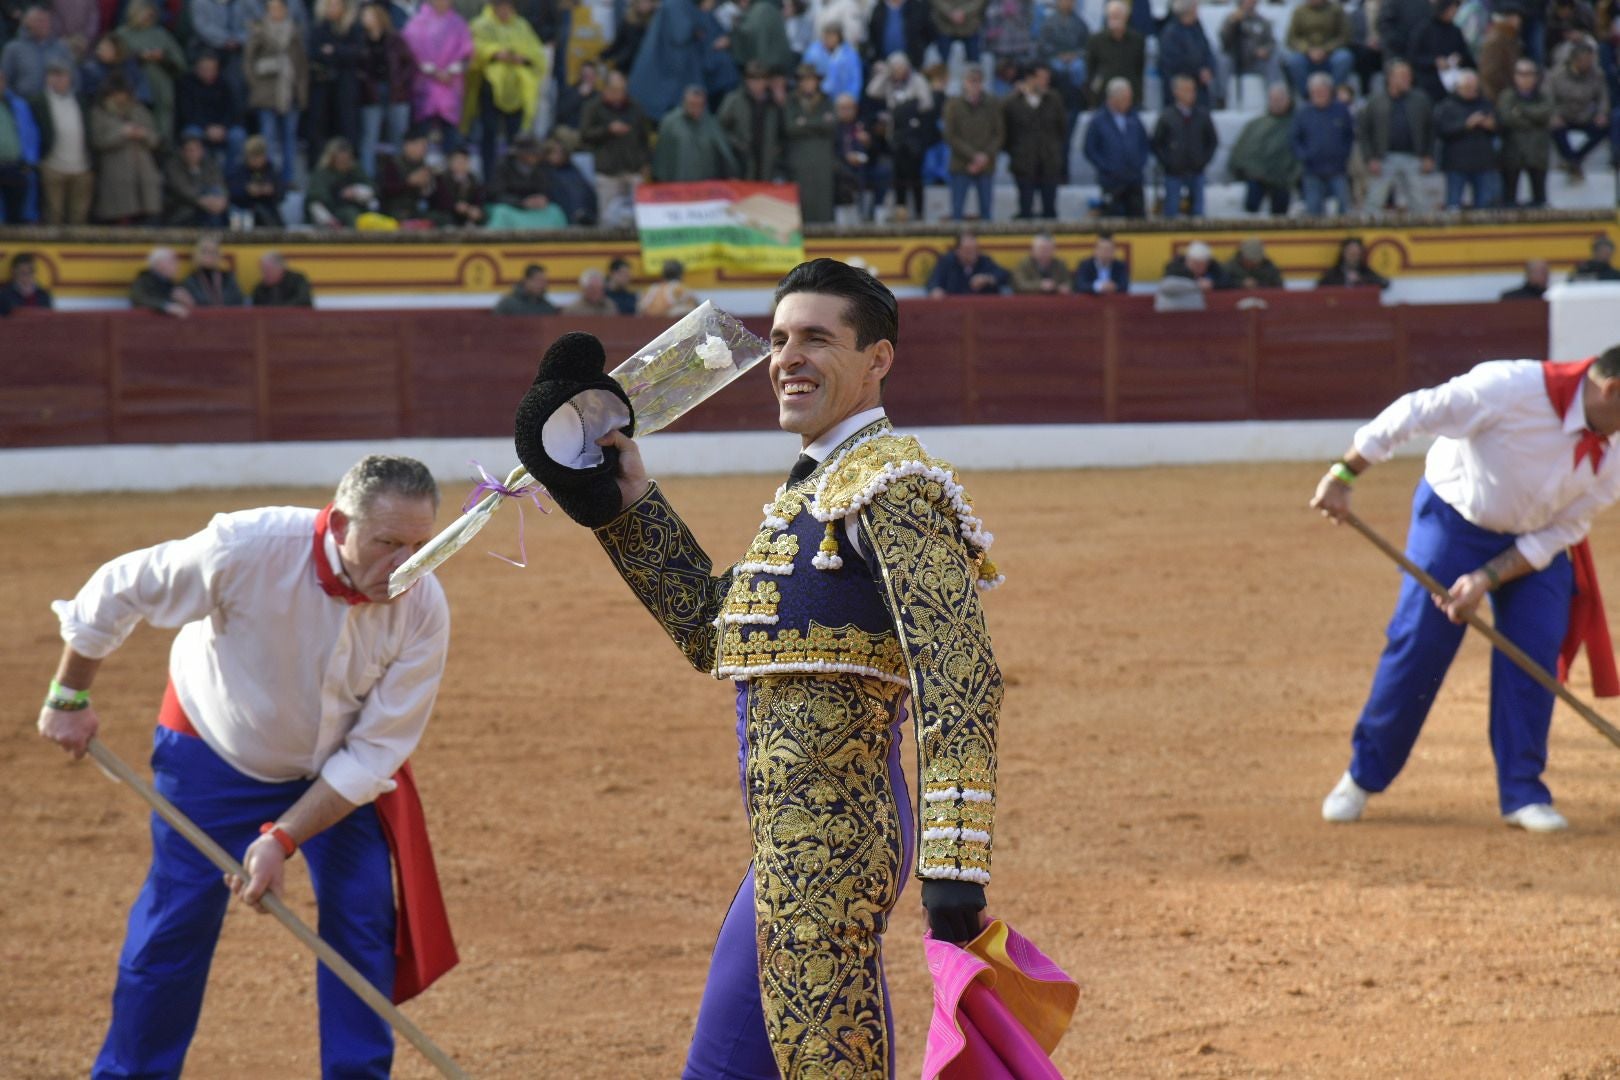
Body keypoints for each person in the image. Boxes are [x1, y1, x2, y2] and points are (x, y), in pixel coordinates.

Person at [520, 258, 1004, 1079]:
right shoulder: (808, 496)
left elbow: (960, 678)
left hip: (836, 845)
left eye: (817, 338)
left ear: (878, 359)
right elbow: (720, 637)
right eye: (779, 338)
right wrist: (627, 505)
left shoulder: (892, 489)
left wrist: (955, 867)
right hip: (783, 844)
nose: (788, 358)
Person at [38, 454, 455, 1077]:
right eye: (387, 542)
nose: (404, 566)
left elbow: (375, 751)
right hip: (214, 752)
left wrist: (282, 838)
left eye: (421, 545)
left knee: (364, 923)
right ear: (339, 523)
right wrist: (68, 696)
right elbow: (120, 587)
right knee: (171, 932)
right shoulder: (247, 546)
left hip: (332, 775)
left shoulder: (424, 606)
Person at [1312, 343, 1620, 833]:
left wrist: (1487, 577)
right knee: (1420, 644)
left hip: (1534, 547)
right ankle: (1362, 777)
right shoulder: (1509, 387)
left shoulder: (1615, 448)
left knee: (1534, 652)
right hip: (1454, 521)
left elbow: (1565, 529)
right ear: (1612, 390)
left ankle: (1523, 792)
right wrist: (1345, 472)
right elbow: (1415, 411)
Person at [465, 0, 546, 176]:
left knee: (515, 138)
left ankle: (512, 178)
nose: (504, 11)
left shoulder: (522, 26)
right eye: (500, 7)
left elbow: (536, 53)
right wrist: (494, 53)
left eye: (508, 7)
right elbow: (473, 48)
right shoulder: (481, 25)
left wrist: (522, 58)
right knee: (489, 134)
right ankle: (489, 178)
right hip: (489, 88)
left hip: (517, 90)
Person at [1359, 58, 1438, 213]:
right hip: (1383, 158)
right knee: (1374, 201)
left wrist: (1429, 155)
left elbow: (1431, 130)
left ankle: (1421, 233)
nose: (1407, 79)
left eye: (1408, 76)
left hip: (1414, 157)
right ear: (1390, 78)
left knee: (1420, 202)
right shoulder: (1375, 101)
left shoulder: (1420, 100)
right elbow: (1364, 132)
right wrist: (1370, 158)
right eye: (1402, 76)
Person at [245, 0, 308, 187]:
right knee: (268, 138)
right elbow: (249, 62)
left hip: (290, 92)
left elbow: (301, 65)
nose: (277, 12)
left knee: (290, 139)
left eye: (280, 8)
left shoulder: (294, 32)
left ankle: (288, 178)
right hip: (266, 92)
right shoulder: (259, 31)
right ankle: (268, 177)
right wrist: (257, 83)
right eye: (273, 8)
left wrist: (301, 91)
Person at [580, 69, 651, 228]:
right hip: (607, 172)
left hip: (633, 170)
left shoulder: (635, 107)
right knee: (607, 218)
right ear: (605, 89)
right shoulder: (593, 107)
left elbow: (643, 138)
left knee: (636, 218)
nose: (618, 94)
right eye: (614, 90)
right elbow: (584, 135)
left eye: (622, 90)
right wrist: (607, 130)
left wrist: (645, 163)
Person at [401, 0, 472, 150]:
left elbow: (467, 53)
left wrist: (451, 70)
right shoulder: (418, 22)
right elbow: (410, 51)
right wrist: (433, 70)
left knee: (450, 140)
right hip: (425, 89)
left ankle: (448, 170)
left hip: (450, 88)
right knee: (422, 138)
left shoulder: (458, 23)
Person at [89, 77, 161, 223]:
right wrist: (122, 133)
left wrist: (143, 134)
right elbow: (98, 140)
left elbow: (155, 139)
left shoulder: (140, 111)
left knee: (147, 216)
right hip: (116, 173)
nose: (120, 97)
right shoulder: (99, 113)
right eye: (116, 93)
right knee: (121, 216)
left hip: (143, 172)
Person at [32, 59, 93, 226]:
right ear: (47, 79)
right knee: (53, 215)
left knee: (79, 216)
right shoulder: (38, 102)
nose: (59, 80)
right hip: (52, 166)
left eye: (62, 75)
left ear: (70, 78)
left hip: (82, 167)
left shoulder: (80, 100)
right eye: (54, 75)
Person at [1003, 61, 1066, 220]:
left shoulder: (1054, 99)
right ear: (1029, 79)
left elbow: (1062, 128)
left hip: (1049, 159)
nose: (1046, 81)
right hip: (1023, 160)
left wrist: (1053, 149)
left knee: (1050, 209)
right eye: (1042, 78)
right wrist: (1016, 151)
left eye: (1047, 78)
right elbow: (1006, 132)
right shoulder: (1012, 102)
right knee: (1025, 207)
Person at [114, 0, 183, 142]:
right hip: (133, 93)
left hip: (161, 92)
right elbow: (113, 62)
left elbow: (180, 64)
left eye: (151, 14)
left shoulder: (161, 35)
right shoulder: (122, 34)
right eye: (144, 13)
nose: (147, 17)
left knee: (162, 133)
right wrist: (138, 57)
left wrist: (162, 58)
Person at [307, 0, 365, 168]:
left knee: (348, 130)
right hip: (322, 88)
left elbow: (357, 52)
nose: (333, 8)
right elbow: (313, 52)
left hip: (345, 90)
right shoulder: (319, 27)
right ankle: (318, 170)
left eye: (336, 4)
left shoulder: (352, 28)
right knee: (319, 130)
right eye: (330, 5)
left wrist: (334, 50)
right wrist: (340, 52)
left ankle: (350, 169)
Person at [1152, 71, 1217, 219]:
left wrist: (1202, 161)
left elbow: (1212, 141)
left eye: (1193, 90)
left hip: (1197, 171)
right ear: (1176, 92)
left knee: (1198, 213)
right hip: (1173, 172)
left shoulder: (1202, 115)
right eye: (1186, 90)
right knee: (1172, 212)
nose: (1191, 94)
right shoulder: (1167, 116)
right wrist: (1168, 162)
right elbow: (1157, 143)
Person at [1082, 76, 1149, 217]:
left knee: (1137, 219)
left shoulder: (1134, 118)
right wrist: (1106, 167)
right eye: (1126, 98)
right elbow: (1090, 149)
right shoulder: (1098, 121)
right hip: (1111, 181)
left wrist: (1139, 164)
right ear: (1113, 98)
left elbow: (1144, 144)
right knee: (1111, 216)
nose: (1129, 102)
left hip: (1134, 179)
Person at [1433, 68, 1500, 208]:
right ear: (1458, 87)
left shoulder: (1486, 104)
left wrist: (1492, 126)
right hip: (1456, 164)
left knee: (1485, 207)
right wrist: (1466, 125)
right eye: (1467, 88)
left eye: (1474, 88)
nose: (1471, 91)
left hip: (1484, 163)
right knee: (1454, 205)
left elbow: (1501, 127)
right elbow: (1441, 131)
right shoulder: (1447, 106)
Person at [1229, 84, 1299, 216]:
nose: (1276, 104)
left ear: (1288, 101)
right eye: (1273, 100)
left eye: (1280, 100)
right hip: (1257, 174)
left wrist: (1293, 174)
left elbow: (1300, 154)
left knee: (1280, 210)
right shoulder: (1256, 124)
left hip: (1282, 177)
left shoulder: (1296, 125)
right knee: (1251, 208)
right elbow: (1241, 151)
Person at [1291, 71, 1355, 215]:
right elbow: (1295, 139)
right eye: (1315, 91)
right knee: (1313, 210)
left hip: (1338, 169)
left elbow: (1349, 136)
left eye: (1322, 90)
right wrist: (1304, 156)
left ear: (1329, 91)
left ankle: (1346, 237)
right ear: (1310, 92)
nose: (1319, 94)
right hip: (1312, 171)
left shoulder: (1341, 110)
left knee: (1343, 207)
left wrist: (1343, 155)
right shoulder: (1303, 112)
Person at [942, 64, 1001, 221]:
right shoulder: (953, 105)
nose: (975, 85)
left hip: (986, 163)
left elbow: (999, 134)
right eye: (971, 81)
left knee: (986, 211)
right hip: (961, 163)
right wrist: (973, 155)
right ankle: (958, 243)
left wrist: (984, 156)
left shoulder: (993, 104)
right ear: (964, 82)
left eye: (978, 81)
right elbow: (950, 135)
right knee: (957, 210)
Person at [1547, 39, 1610, 181]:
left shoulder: (1597, 74)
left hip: (1584, 115)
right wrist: (1554, 115)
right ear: (1576, 60)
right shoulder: (1556, 75)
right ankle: (1573, 162)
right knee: (1555, 129)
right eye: (1587, 60)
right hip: (1563, 115)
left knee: (1604, 128)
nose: (1590, 63)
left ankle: (1574, 159)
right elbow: (1548, 98)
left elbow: (1603, 98)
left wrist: (1601, 114)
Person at [785, 62, 839, 222]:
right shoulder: (791, 102)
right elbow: (790, 127)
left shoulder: (827, 101)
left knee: (823, 203)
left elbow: (831, 126)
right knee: (802, 205)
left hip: (823, 162)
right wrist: (818, 124)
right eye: (804, 80)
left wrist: (805, 123)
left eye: (811, 79)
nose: (808, 83)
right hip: (799, 162)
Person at [176, 50, 246, 172]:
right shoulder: (187, 83)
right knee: (192, 134)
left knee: (238, 136)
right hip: (200, 126)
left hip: (223, 128)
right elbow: (187, 112)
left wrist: (223, 127)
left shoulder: (225, 83)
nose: (208, 72)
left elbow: (233, 111)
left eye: (211, 68)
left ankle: (229, 175)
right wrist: (207, 128)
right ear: (197, 68)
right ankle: (205, 174)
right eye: (204, 68)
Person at [652, 85, 740, 181]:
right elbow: (662, 158)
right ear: (684, 103)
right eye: (692, 104)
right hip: (678, 185)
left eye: (699, 105)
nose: (695, 109)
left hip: (706, 185)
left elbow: (723, 153)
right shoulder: (670, 123)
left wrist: (730, 175)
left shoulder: (711, 123)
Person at [1498, 58, 1553, 208]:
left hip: (1538, 151)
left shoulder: (1544, 95)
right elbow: (1507, 118)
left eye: (1529, 73)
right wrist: (1534, 119)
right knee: (1509, 197)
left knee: (1539, 197)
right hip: (1513, 150)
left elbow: (1546, 114)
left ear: (1535, 76)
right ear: (1515, 76)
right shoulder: (1507, 95)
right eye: (1521, 73)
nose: (1525, 77)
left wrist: (1521, 111)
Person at [720, 60, 788, 181]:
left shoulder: (774, 104)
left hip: (767, 164)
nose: (757, 83)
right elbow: (720, 130)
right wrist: (736, 143)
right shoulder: (734, 101)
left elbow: (784, 132)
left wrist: (776, 151)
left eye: (761, 79)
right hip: (740, 162)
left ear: (767, 81)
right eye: (752, 79)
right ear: (746, 80)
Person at [163, 126, 231, 226]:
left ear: (202, 151)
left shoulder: (209, 164)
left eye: (195, 150)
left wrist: (222, 199)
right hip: (183, 208)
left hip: (209, 207)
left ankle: (215, 236)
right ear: (182, 151)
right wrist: (202, 200)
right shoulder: (173, 166)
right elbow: (182, 190)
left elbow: (219, 183)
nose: (192, 153)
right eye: (189, 150)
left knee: (216, 192)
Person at [1285, 0, 1356, 90]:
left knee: (1344, 57)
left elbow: (1344, 36)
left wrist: (1325, 49)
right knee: (1294, 60)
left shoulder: (1336, 10)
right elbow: (1291, 39)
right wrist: (1308, 50)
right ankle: (1307, 95)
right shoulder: (1299, 11)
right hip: (1306, 53)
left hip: (1331, 52)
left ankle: (1334, 93)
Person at [0, 64, 39, 223]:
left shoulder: (18, 105)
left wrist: (29, 162)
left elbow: (31, 133)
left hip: (16, 167)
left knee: (17, 214)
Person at [1159, 0, 1217, 107]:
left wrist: (1210, 68)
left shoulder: (1197, 28)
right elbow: (1173, 63)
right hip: (1181, 87)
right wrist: (1198, 72)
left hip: (1200, 87)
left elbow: (1207, 50)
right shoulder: (1171, 33)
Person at [1085, 0, 1144, 106]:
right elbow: (1091, 70)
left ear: (1126, 17)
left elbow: (1139, 69)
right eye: (1112, 16)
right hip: (1103, 94)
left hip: (1129, 92)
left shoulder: (1137, 40)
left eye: (1118, 16)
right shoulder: (1095, 41)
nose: (1115, 20)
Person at [1220, 0, 1283, 98]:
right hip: (1235, 61)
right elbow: (1224, 42)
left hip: (1256, 62)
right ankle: (1221, 98)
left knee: (1273, 59)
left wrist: (1265, 50)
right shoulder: (1231, 19)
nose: (1250, 2)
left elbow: (1272, 43)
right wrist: (1232, 23)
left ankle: (1275, 98)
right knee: (1223, 60)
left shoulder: (1262, 22)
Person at [376, 123, 434, 220]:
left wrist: (427, 186)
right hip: (393, 212)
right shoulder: (392, 164)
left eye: (425, 146)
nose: (424, 149)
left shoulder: (424, 166)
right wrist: (408, 182)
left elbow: (432, 198)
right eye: (421, 145)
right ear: (408, 145)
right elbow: (384, 190)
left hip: (415, 211)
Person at [926, 229, 1010, 294]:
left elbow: (1004, 274)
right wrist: (935, 289)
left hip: (981, 309)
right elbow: (933, 281)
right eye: (967, 250)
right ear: (958, 251)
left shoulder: (984, 261)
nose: (972, 254)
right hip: (954, 309)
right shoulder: (947, 262)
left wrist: (987, 279)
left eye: (974, 249)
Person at [227, 134, 285, 226]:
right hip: (244, 210)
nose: (256, 160)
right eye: (253, 157)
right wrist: (246, 190)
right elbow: (231, 192)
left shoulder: (271, 170)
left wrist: (271, 190)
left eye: (259, 156)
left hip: (269, 210)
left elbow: (281, 193)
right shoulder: (239, 170)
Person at [427, 144, 486, 225]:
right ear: (450, 162)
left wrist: (476, 210)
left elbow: (478, 200)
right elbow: (440, 202)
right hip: (446, 215)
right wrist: (455, 206)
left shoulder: (473, 180)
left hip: (466, 215)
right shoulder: (441, 179)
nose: (461, 164)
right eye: (458, 161)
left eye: (464, 161)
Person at [130, 247, 195, 316]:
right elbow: (139, 299)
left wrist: (186, 301)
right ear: (158, 264)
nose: (177, 265)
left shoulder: (173, 284)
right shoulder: (143, 280)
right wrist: (166, 306)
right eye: (171, 261)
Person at [183, 234, 245, 306]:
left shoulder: (228, 278)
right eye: (205, 251)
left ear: (218, 255)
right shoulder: (191, 280)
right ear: (197, 254)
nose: (209, 255)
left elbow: (237, 301)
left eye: (213, 252)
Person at [1318, 235, 1391, 286]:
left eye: (1356, 253)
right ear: (1343, 253)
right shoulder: (1334, 272)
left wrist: (1361, 279)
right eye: (1350, 253)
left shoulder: (1365, 271)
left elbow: (1385, 283)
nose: (1353, 256)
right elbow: (1320, 287)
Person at [494, 262, 559, 314]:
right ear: (526, 281)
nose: (541, 285)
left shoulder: (547, 307)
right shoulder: (507, 305)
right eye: (538, 280)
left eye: (544, 281)